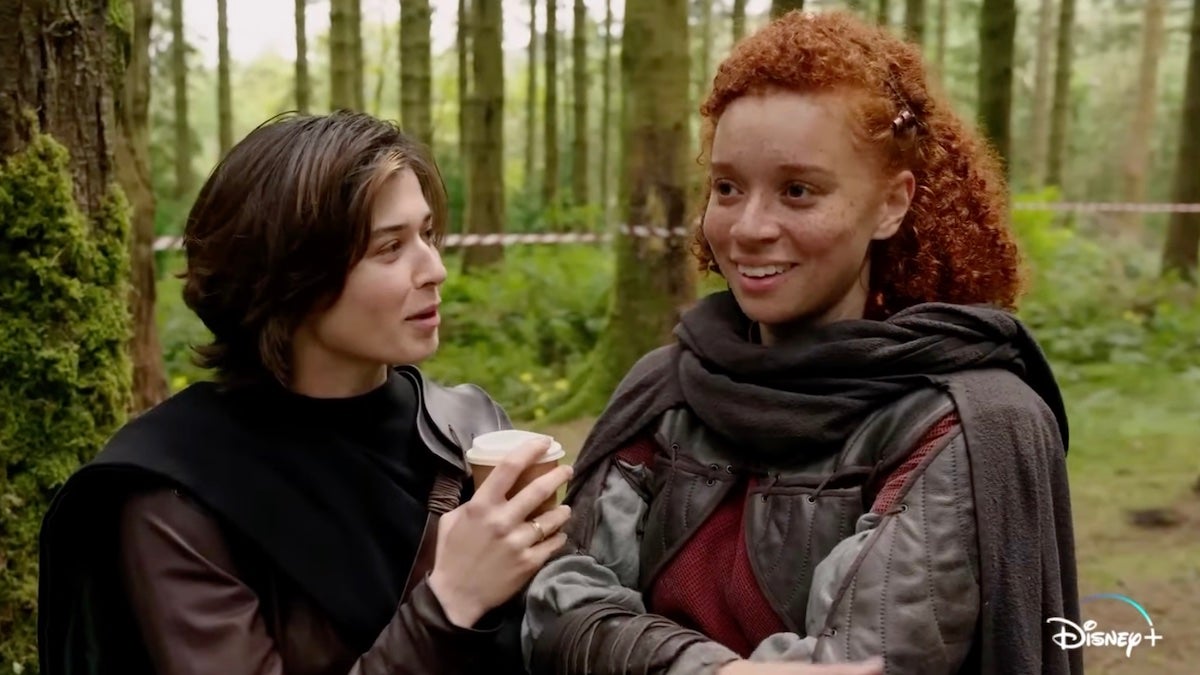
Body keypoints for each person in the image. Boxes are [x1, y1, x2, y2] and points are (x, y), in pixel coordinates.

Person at [522, 10, 1081, 675]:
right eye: (728, 187)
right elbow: (557, 611)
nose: (749, 227)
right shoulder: (665, 390)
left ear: (891, 203)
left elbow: (854, 659)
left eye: (797, 190)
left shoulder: (961, 424)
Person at [38, 111, 572, 675]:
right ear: (290, 277)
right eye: (390, 248)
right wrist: (449, 603)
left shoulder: (466, 430)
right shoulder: (178, 492)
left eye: (428, 234)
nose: (435, 269)